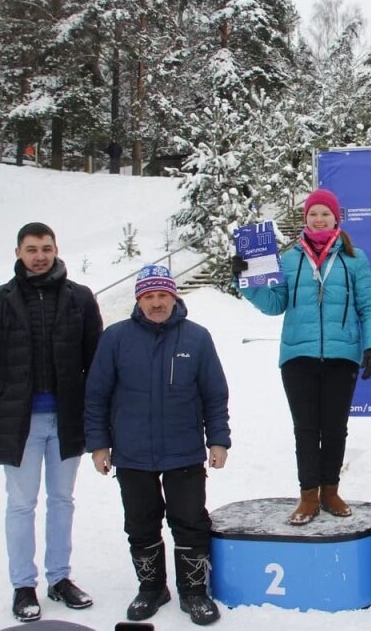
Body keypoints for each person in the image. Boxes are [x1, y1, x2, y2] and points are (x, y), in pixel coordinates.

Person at [0, 222, 103, 623]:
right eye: (31, 249)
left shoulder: (79, 298)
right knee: (22, 503)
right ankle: (23, 585)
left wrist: (99, 422)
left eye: (45, 248)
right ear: (18, 254)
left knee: (62, 501)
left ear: (57, 249)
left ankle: (59, 578)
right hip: (17, 422)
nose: (39, 255)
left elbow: (96, 366)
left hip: (66, 419)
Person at [85, 265, 230, 625]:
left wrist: (219, 440)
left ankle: (194, 591)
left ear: (174, 297)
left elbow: (214, 395)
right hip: (132, 452)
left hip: (183, 450)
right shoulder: (116, 338)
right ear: (139, 300)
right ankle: (151, 588)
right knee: (140, 522)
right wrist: (99, 445)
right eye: (149, 297)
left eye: (162, 295)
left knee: (190, 521)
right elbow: (96, 395)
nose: (156, 303)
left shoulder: (196, 338)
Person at [235, 188, 371, 525]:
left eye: (325, 214)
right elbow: (274, 305)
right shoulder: (288, 260)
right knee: (305, 428)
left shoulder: (354, 258)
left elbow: (369, 307)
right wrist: (246, 278)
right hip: (297, 355)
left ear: (336, 218)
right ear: (305, 219)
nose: (318, 219)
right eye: (313, 214)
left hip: (341, 354)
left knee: (334, 428)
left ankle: (330, 491)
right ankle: (307, 496)